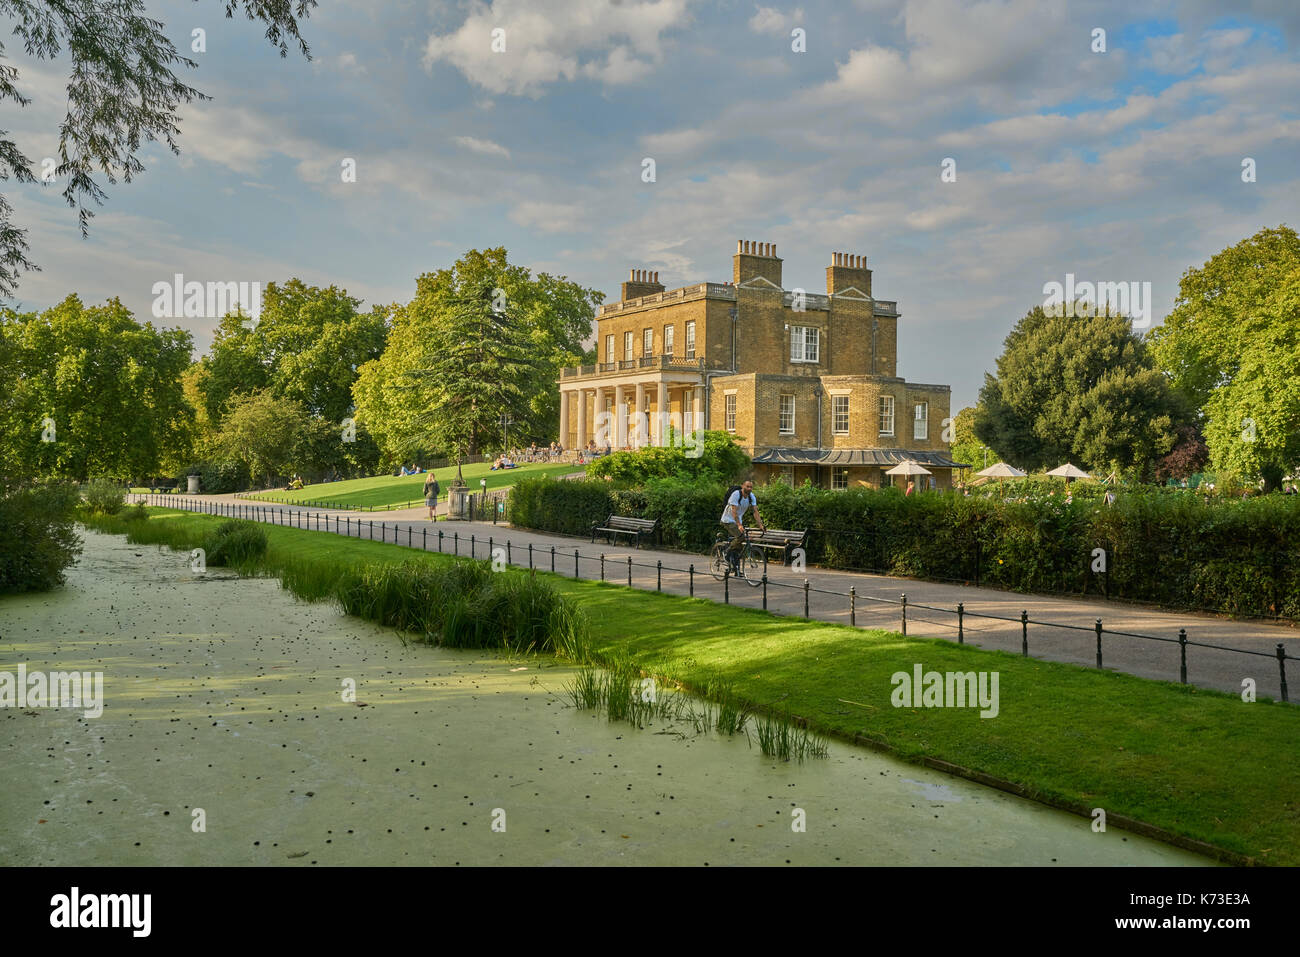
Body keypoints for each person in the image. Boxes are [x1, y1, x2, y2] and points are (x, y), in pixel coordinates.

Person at [719, 479, 765, 575]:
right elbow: (734, 512)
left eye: (751, 487)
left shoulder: (751, 497)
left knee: (739, 545)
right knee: (741, 537)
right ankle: (727, 553)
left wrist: (760, 525)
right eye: (747, 486)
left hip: (737, 521)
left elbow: (755, 511)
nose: (749, 488)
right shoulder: (736, 494)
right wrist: (739, 525)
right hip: (728, 520)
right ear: (742, 486)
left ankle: (735, 567)